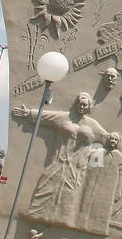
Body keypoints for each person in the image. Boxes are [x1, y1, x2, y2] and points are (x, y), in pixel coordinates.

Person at [12, 92, 108, 229]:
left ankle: (61, 225)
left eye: (84, 105)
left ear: (89, 107)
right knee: (45, 190)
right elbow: (45, 117)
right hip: (58, 162)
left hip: (76, 169)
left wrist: (94, 160)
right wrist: (28, 113)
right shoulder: (64, 118)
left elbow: (108, 141)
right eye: (80, 104)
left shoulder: (93, 125)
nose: (81, 107)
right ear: (76, 104)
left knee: (68, 199)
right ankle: (34, 219)